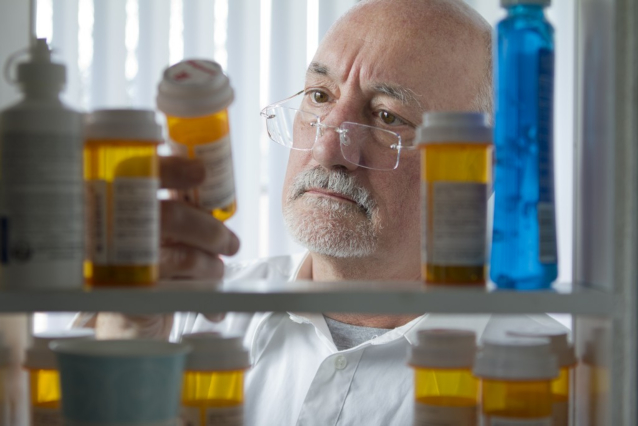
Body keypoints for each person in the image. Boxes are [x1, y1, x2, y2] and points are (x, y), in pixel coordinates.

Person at [81, 0, 566, 424]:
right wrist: (124, 339)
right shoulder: (190, 316)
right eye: (320, 96)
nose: (327, 147)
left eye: (387, 116)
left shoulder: (549, 376)